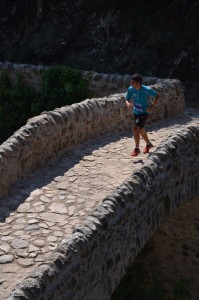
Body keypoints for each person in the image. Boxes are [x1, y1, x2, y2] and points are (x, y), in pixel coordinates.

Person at [125, 73, 160, 156]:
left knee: (135, 128)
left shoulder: (146, 89)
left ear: (138, 83)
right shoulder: (131, 89)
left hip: (144, 113)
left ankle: (136, 149)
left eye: (132, 82)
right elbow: (127, 99)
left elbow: (157, 96)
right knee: (141, 129)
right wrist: (128, 103)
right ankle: (148, 144)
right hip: (136, 112)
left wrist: (151, 106)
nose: (131, 83)